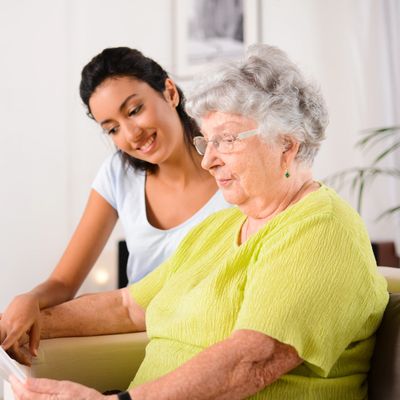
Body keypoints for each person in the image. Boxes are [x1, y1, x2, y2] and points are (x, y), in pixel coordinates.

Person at [9, 44, 388, 400]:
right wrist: (14, 325)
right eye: (207, 142)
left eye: (225, 140)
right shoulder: (219, 228)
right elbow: (128, 306)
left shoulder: (321, 229)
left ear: (286, 145)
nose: (208, 161)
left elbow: (250, 362)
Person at [0, 47, 229, 365]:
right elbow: (64, 282)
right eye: (112, 128)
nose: (131, 134)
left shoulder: (231, 164)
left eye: (134, 110)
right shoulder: (118, 174)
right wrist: (31, 299)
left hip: (209, 337)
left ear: (170, 92)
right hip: (137, 341)